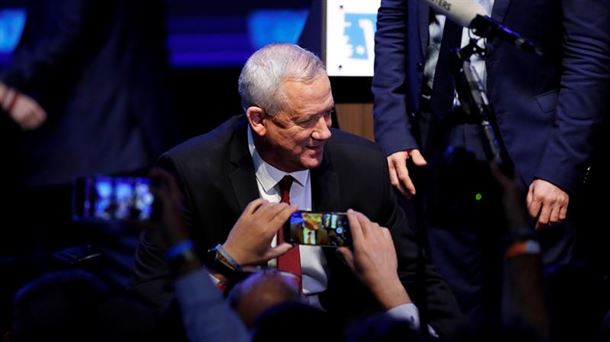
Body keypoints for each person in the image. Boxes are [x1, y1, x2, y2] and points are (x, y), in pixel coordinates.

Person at [131, 43, 465, 338]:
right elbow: (152, 303)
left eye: (328, 114)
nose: (325, 133)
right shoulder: (191, 172)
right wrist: (226, 263)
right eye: (306, 120)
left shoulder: (363, 166)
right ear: (258, 120)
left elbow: (415, 277)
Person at [372, 0, 610, 327]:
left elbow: (589, 56)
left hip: (535, 153)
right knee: (453, 307)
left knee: (541, 310)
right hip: (436, 143)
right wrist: (393, 130)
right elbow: (393, 22)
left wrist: (561, 168)